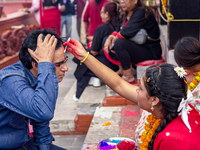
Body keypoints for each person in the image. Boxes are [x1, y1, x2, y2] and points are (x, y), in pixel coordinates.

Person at [65, 38, 200, 150]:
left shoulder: (173, 140)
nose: (136, 90)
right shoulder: (171, 105)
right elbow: (119, 85)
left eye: (140, 88)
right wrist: (85, 56)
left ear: (154, 100)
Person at [0, 29, 68, 149]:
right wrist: (46, 65)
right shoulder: (11, 81)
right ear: (36, 65)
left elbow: (41, 124)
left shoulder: (35, 74)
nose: (66, 68)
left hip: (23, 143)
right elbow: (43, 112)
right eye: (58, 64)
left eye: (65, 61)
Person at [104, 0, 162, 84]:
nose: (122, 1)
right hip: (138, 46)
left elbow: (127, 31)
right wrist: (109, 38)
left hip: (150, 50)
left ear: (135, 1)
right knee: (106, 40)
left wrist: (114, 41)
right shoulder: (126, 13)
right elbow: (119, 28)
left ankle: (128, 77)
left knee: (119, 43)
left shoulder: (141, 12)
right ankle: (121, 70)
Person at [73, 1, 120, 101]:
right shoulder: (118, 27)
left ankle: (78, 95)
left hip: (110, 64)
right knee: (82, 58)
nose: (100, 14)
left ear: (107, 14)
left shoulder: (101, 29)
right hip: (117, 62)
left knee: (83, 63)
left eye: (102, 12)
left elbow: (94, 52)